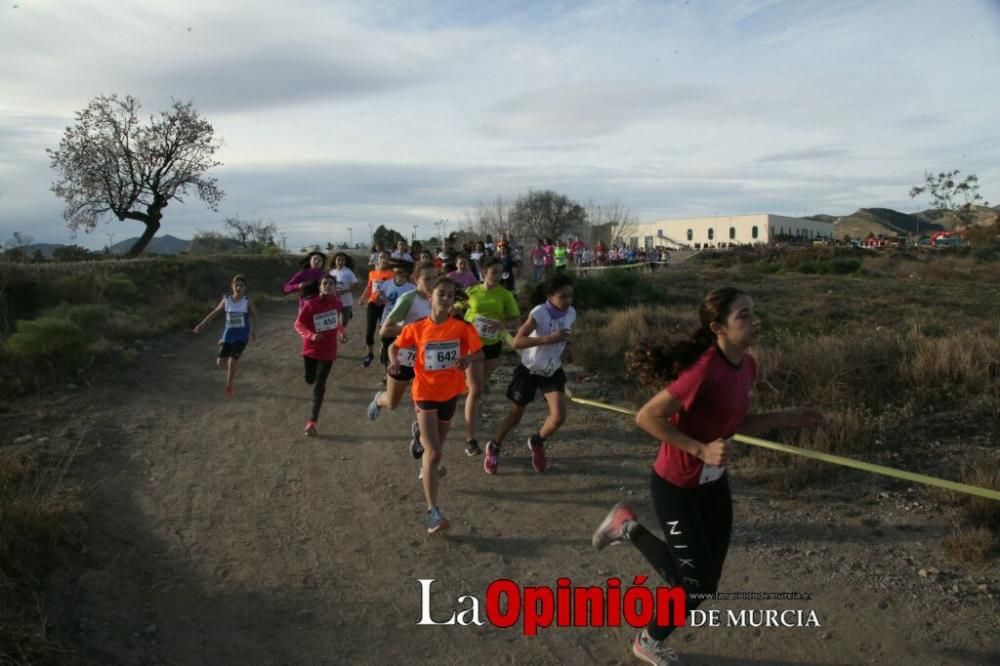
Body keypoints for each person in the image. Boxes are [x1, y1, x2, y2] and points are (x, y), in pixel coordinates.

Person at [590, 287, 823, 666]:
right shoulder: (703, 372)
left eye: (754, 311)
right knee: (696, 585)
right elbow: (647, 417)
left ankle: (627, 526)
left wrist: (786, 416)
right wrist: (699, 449)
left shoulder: (747, 365)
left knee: (702, 580)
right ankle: (648, 640)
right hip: (676, 486)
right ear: (718, 327)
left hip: (713, 484)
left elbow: (733, 422)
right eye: (743, 316)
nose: (755, 320)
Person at [388, 277, 484, 534]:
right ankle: (433, 512)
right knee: (434, 454)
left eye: (451, 295)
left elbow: (480, 352)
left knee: (436, 448)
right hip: (424, 393)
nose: (446, 299)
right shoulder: (417, 327)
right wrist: (394, 362)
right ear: (430, 297)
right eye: (441, 294)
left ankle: (419, 435)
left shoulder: (462, 328)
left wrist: (467, 358)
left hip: (449, 394)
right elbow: (393, 346)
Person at [482, 272, 574, 475]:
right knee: (515, 416)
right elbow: (517, 342)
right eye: (563, 296)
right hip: (529, 370)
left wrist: (564, 349)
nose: (568, 301)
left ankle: (537, 442)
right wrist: (548, 339)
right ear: (550, 296)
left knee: (558, 416)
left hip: (552, 370)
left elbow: (563, 338)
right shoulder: (539, 313)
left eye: (570, 296)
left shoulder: (571, 313)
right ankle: (495, 446)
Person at [366, 262, 438, 457]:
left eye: (435, 278)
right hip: (404, 357)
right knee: (392, 402)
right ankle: (379, 400)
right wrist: (414, 329)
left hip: (427, 362)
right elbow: (385, 330)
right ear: (416, 280)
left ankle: (421, 440)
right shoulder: (409, 299)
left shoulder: (439, 300)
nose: (432, 282)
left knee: (425, 404)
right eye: (427, 279)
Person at [457, 257, 520, 457]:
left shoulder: (505, 294)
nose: (498, 276)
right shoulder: (472, 292)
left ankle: (465, 395)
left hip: (492, 345)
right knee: (475, 390)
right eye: (493, 272)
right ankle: (471, 439)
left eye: (501, 272)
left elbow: (516, 318)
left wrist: (502, 326)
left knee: (476, 388)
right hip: (471, 344)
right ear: (484, 273)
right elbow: (454, 308)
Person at [293, 275, 347, 437]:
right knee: (310, 379)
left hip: (328, 351)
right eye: (325, 283)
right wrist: (311, 335)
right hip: (310, 349)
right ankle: (311, 377)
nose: (328, 286)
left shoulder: (338, 304)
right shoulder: (311, 304)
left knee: (319, 386)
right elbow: (298, 324)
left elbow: (336, 321)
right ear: (319, 287)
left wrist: (341, 332)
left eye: (331, 284)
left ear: (335, 287)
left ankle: (312, 421)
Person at [193, 274, 259, 397]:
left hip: (241, 336)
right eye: (236, 285)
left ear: (245, 288)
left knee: (232, 361)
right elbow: (215, 312)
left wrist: (254, 330)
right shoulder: (226, 300)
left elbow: (255, 316)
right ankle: (232, 369)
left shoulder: (247, 301)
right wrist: (201, 324)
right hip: (228, 335)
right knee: (220, 362)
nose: (238, 287)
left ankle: (229, 385)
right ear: (232, 286)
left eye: (241, 286)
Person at [358, 251, 394, 367]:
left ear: (389, 260)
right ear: (378, 259)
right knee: (369, 332)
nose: (383, 259)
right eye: (381, 257)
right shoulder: (372, 273)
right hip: (373, 304)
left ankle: (384, 351)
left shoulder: (393, 274)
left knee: (384, 332)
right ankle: (370, 354)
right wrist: (363, 297)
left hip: (385, 306)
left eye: (386, 257)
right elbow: (369, 287)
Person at [329, 252, 359, 327]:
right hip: (334, 300)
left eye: (342, 260)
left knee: (344, 323)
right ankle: (339, 333)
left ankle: (349, 313)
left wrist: (344, 291)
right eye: (338, 260)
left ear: (345, 262)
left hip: (346, 301)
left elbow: (356, 286)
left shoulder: (348, 272)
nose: (340, 262)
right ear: (335, 261)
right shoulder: (331, 272)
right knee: (335, 321)